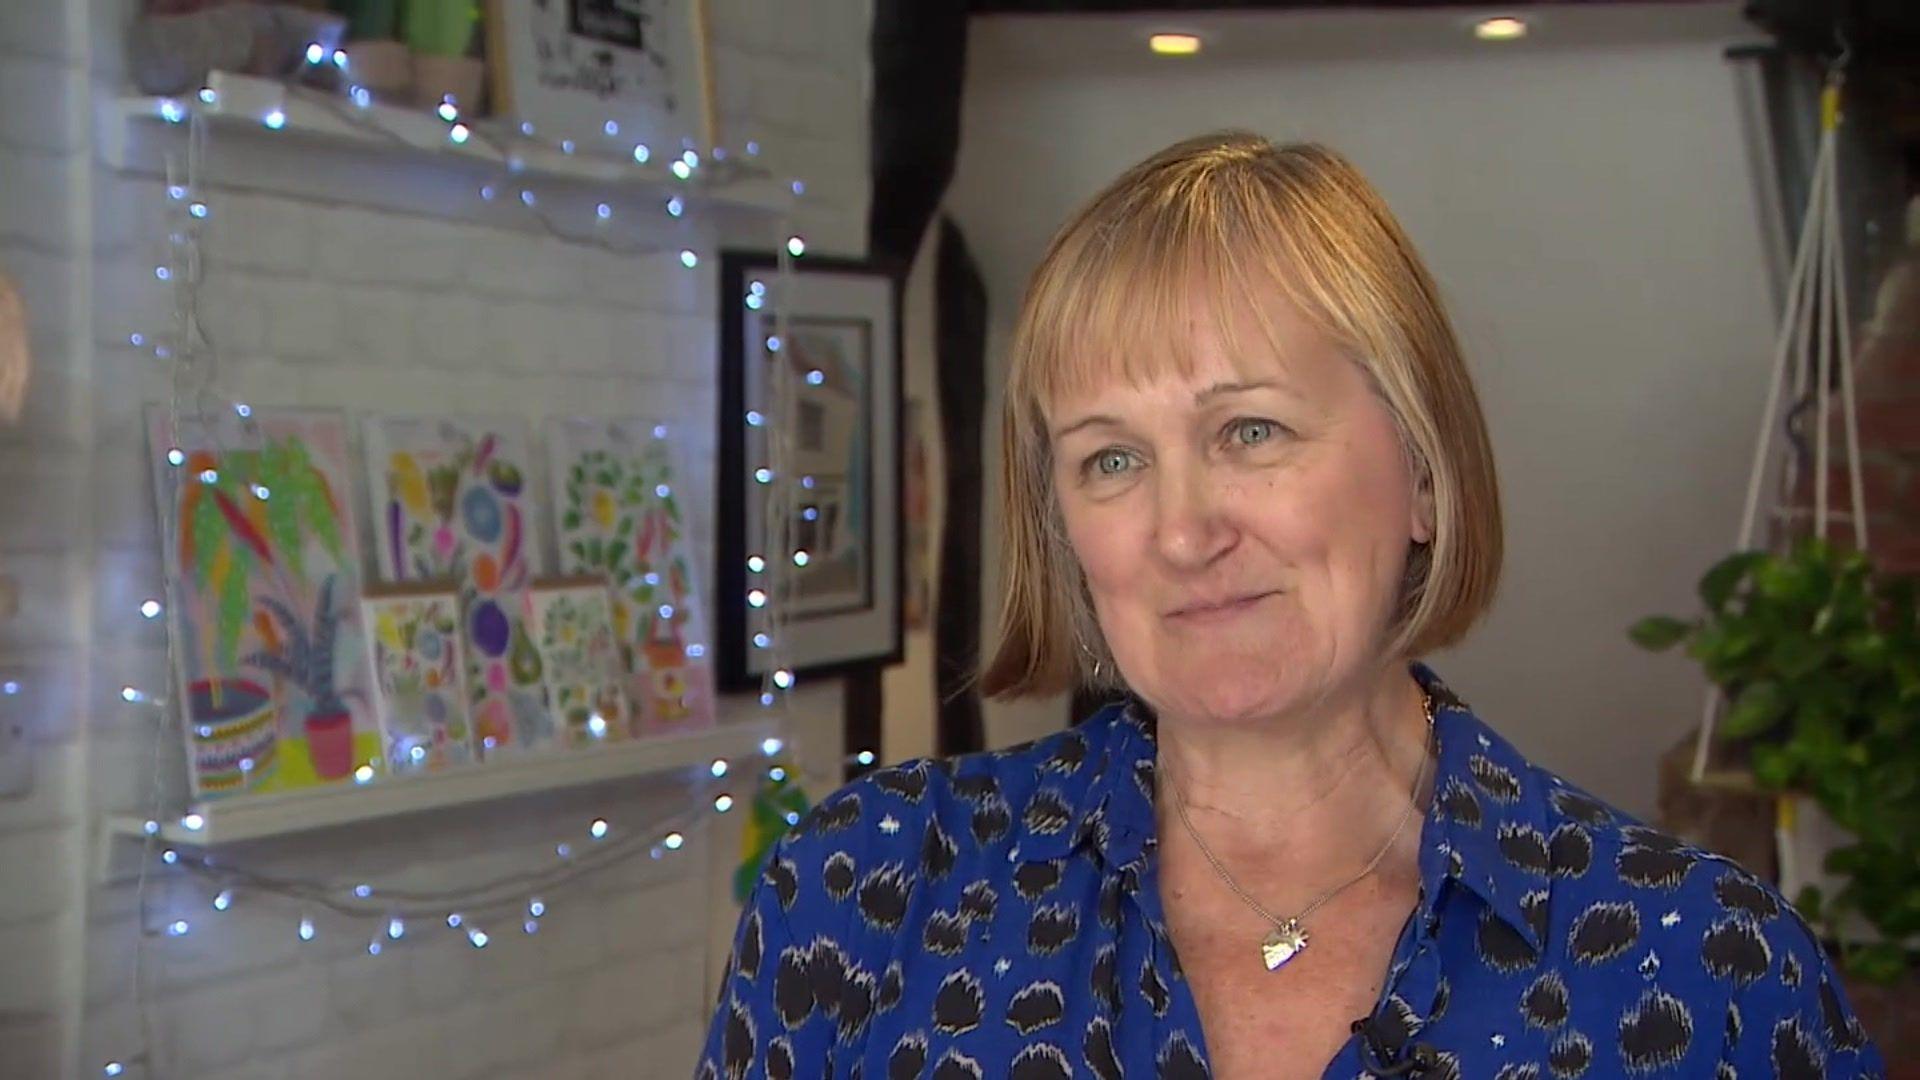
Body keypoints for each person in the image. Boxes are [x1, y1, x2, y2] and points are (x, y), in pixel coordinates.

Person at [696, 132, 1884, 1079]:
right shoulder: (870, 890)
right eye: (1111, 459)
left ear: (1422, 471)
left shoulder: (1701, 968)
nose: (1182, 529)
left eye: (1249, 431)